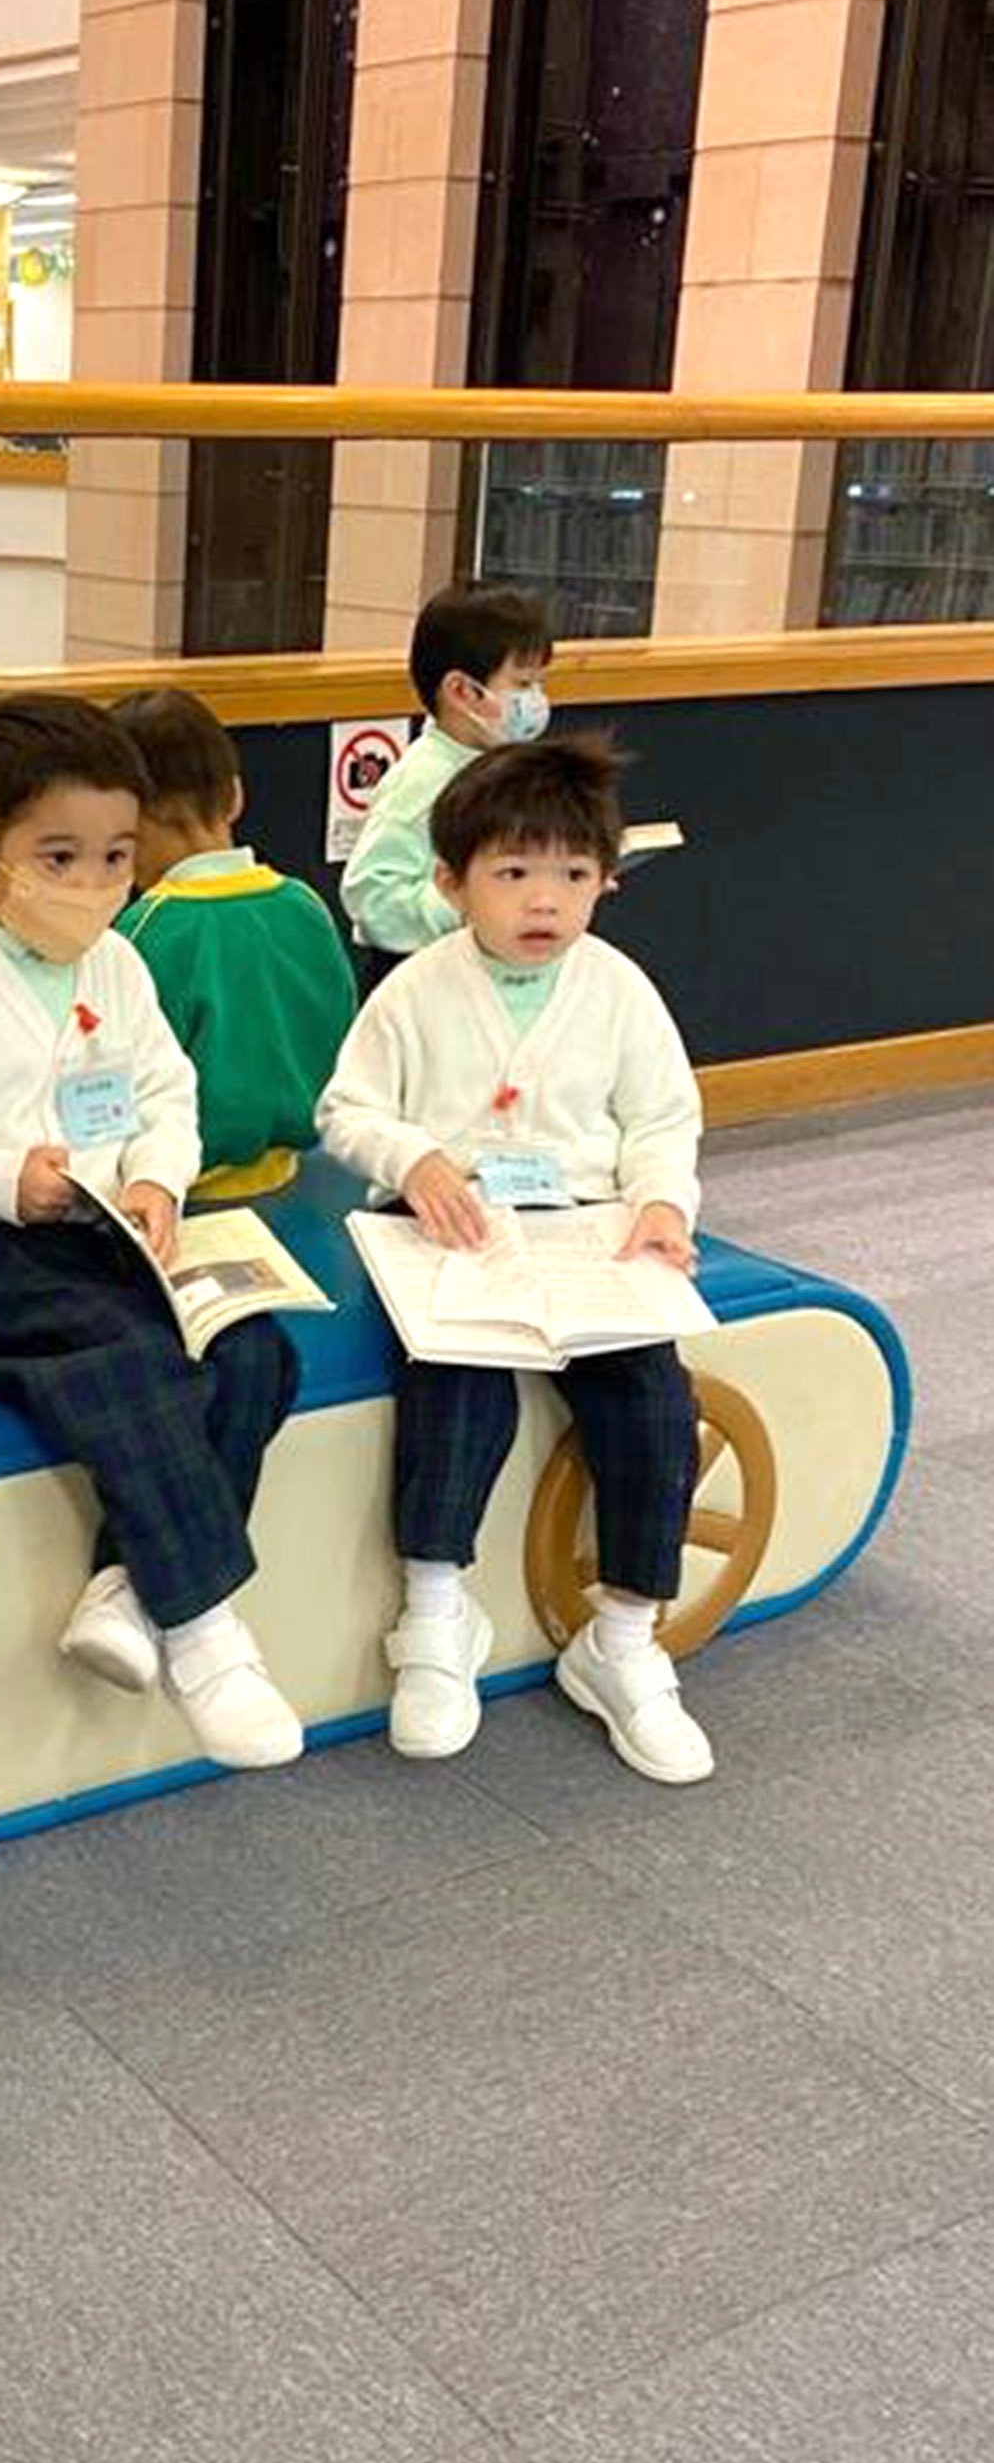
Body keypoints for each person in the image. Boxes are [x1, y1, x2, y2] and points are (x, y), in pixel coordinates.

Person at [0, 692, 304, 1771]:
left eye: (115, 857)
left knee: (254, 1348)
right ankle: (205, 1633)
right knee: (123, 1357)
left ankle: (128, 1589)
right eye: (58, 857)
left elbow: (167, 1095)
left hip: (111, 1234)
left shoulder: (119, 965)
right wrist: (5, 1181)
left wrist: (158, 1183)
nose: (92, 884)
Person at [316, 734, 712, 1785]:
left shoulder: (619, 990)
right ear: (452, 883)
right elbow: (346, 1111)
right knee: (454, 1389)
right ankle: (436, 1615)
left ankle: (622, 1640)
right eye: (514, 873)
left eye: (574, 875)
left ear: (607, 880)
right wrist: (414, 1158)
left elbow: (662, 1120)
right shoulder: (414, 991)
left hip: (586, 1230)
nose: (545, 900)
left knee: (654, 1403)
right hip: (454, 1228)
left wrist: (661, 1204)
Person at [109, 686, 356, 1201]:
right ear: (236, 795)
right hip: (297, 1176)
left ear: (124, 822)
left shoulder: (143, 929)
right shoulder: (307, 904)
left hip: (170, 1189)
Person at [340, 583, 553, 982]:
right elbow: (373, 899)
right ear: (461, 690)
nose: (538, 699)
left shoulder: (502, 765)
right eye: (523, 684)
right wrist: (468, 901)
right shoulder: (423, 781)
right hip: (420, 981)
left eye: (540, 683)